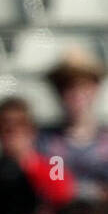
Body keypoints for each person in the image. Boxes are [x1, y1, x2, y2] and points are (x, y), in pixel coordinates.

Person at [0, 97, 76, 214]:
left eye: (19, 123)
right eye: (3, 124)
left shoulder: (53, 167)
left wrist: (27, 166)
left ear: (32, 130)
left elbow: (62, 200)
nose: (11, 130)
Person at [39, 48, 108, 202]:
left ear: (95, 88)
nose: (76, 94)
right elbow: (49, 189)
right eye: (67, 87)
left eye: (84, 86)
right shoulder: (45, 143)